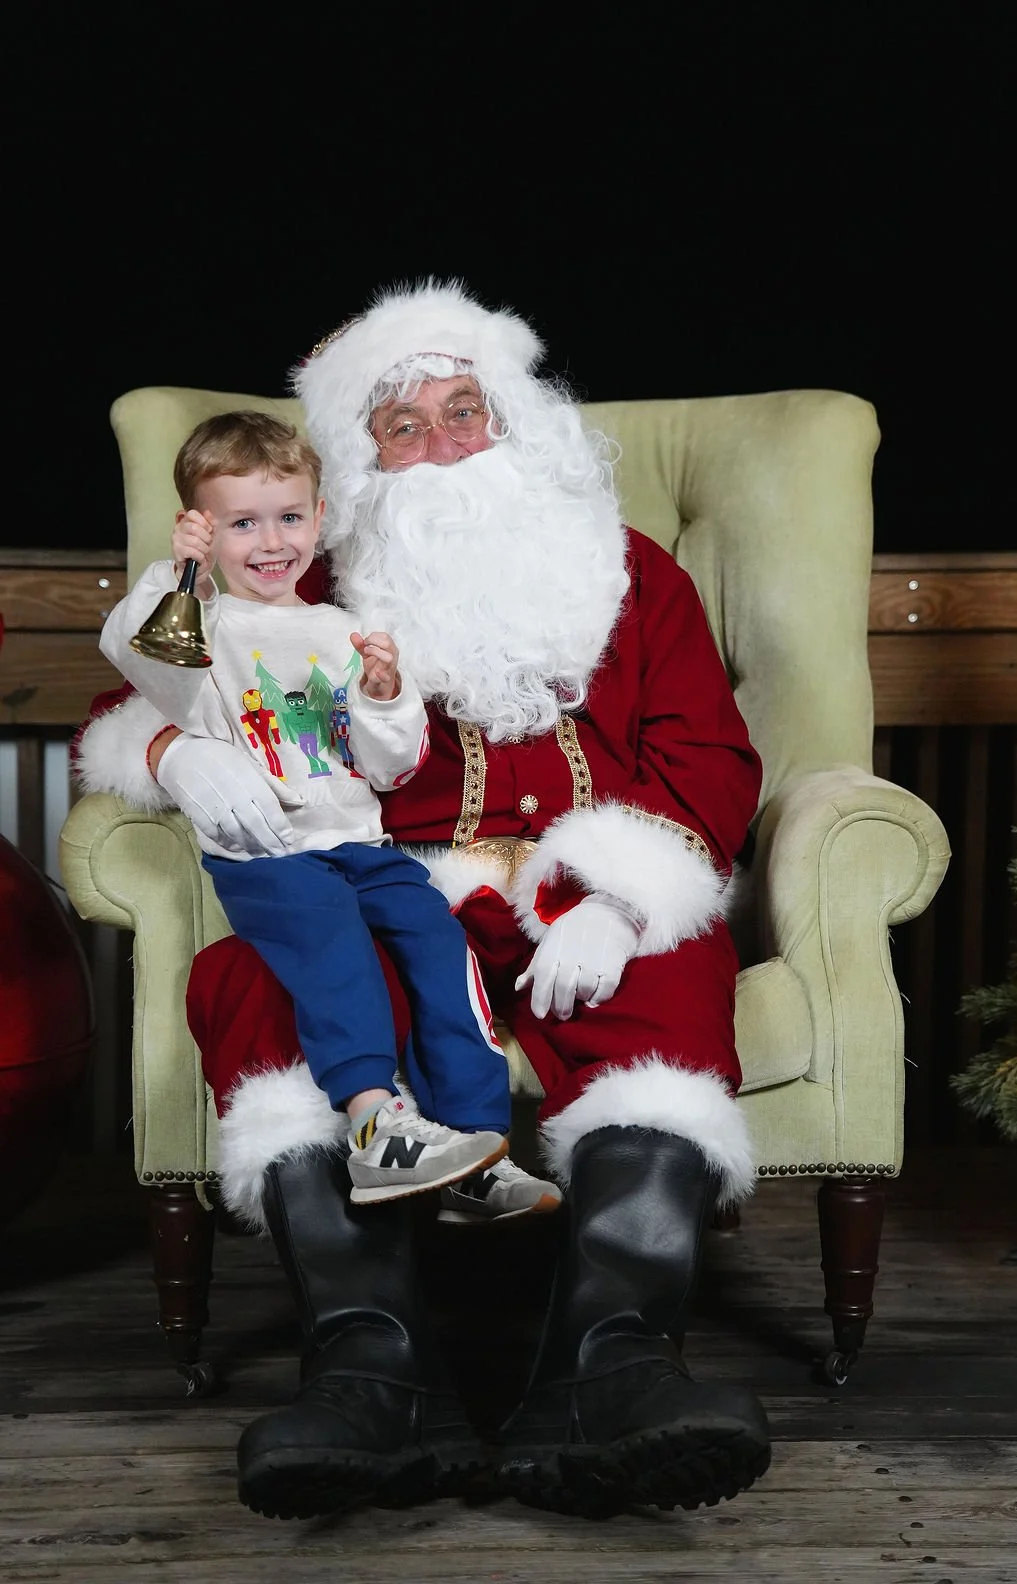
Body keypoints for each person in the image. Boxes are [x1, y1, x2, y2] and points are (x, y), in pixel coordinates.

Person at [76, 280, 772, 1521]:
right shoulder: (289, 573)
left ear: (515, 424)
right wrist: (181, 756)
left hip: (576, 895)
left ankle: (608, 1375)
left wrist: (624, 898)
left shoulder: (631, 575)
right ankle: (373, 1375)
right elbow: (138, 697)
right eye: (404, 426)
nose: (444, 444)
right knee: (255, 981)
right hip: (380, 887)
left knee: (673, 973)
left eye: (466, 412)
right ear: (361, 460)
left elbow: (710, 754)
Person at [99, 410, 559, 1214]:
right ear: (204, 529)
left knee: (436, 942)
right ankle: (376, 1125)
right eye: (242, 523)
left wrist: (385, 695)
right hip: (271, 854)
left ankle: (476, 1149)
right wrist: (178, 574)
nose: (271, 542)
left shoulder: (341, 629)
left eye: (288, 517)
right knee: (336, 949)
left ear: (319, 517)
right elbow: (137, 659)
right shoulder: (202, 624)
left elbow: (388, 763)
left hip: (362, 843)